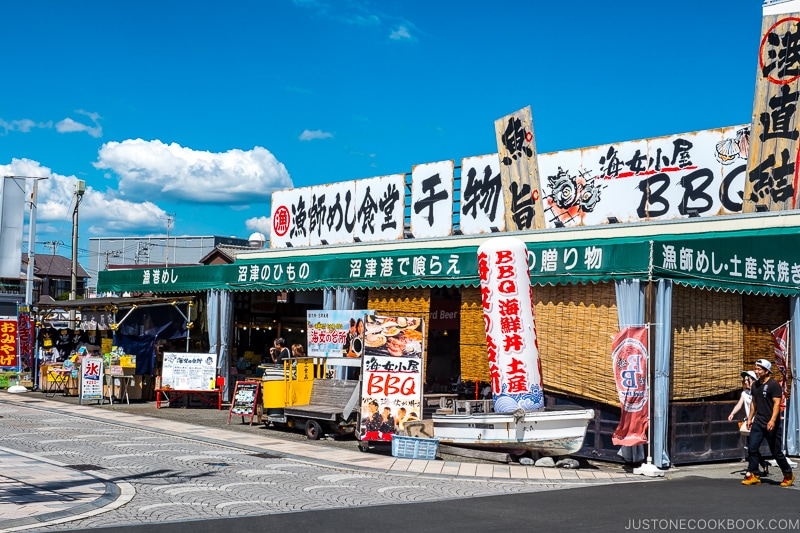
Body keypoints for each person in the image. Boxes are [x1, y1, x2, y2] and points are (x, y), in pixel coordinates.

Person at [742, 359, 795, 487]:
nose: (756, 371)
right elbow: (754, 403)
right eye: (756, 369)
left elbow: (777, 404)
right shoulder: (755, 385)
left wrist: (772, 420)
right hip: (758, 422)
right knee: (752, 448)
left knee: (776, 452)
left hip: (771, 423)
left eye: (759, 369)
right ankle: (754, 474)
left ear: (767, 371)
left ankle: (788, 474)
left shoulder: (773, 385)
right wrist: (750, 418)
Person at [728, 370, 768, 474]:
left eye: (748, 380)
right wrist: (732, 413)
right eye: (744, 380)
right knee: (752, 447)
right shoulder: (745, 393)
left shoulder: (760, 391)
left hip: (759, 422)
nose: (745, 382)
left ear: (753, 380)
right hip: (749, 423)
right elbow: (739, 405)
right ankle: (761, 465)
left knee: (752, 447)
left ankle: (753, 469)